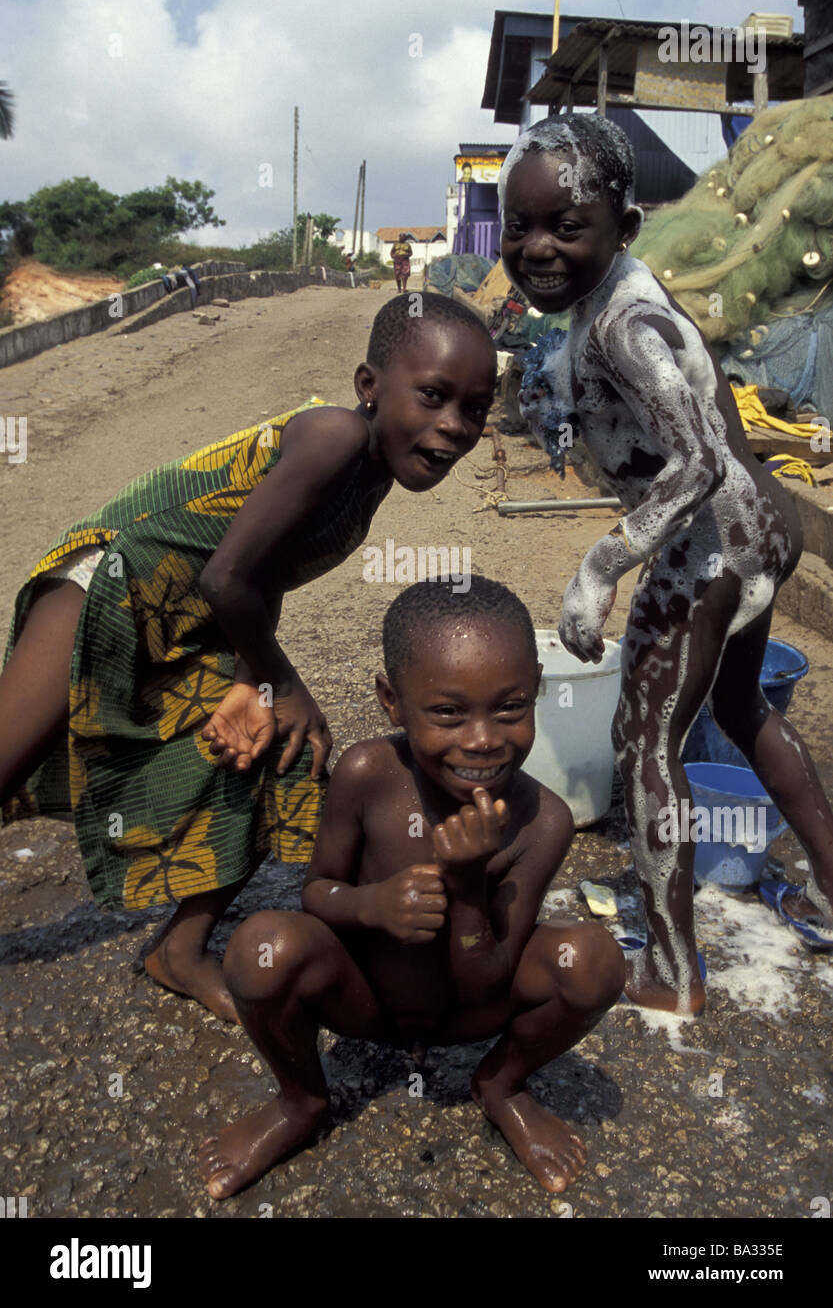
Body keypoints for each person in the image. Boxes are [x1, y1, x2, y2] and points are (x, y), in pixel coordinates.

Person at [0, 293, 497, 1023]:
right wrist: (277, 680)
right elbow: (225, 574)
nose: (453, 426)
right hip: (108, 588)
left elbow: (264, 570)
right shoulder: (331, 437)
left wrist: (249, 684)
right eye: (432, 396)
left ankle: (179, 949)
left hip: (190, 621)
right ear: (369, 386)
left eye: (475, 409)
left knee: (284, 752)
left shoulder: (370, 473)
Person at [498, 112, 833, 1015]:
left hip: (710, 539)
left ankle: (674, 971)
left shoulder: (623, 323)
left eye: (565, 228)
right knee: (736, 704)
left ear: (623, 230)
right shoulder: (610, 304)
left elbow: (695, 463)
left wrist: (598, 569)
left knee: (641, 741)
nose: (536, 248)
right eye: (517, 227)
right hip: (759, 525)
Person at [197, 576, 624, 1200]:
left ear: (536, 689)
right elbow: (317, 892)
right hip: (364, 1002)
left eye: (510, 707)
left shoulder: (543, 821)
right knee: (259, 948)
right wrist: (372, 904)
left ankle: (501, 1084)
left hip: (467, 1010)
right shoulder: (367, 774)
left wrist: (469, 884)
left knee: (591, 962)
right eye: (448, 712)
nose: (482, 739)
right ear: (392, 701)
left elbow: (487, 978)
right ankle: (301, 1101)